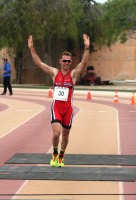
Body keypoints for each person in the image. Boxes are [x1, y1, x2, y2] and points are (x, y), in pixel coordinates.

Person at [28, 34, 90, 167]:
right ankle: (55, 154)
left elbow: (84, 63)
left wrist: (86, 48)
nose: (67, 63)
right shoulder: (55, 73)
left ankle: (61, 156)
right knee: (57, 133)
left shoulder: (73, 75)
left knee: (66, 136)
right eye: (64, 61)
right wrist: (32, 48)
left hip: (68, 110)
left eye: (69, 61)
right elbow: (39, 63)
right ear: (60, 61)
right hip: (57, 108)